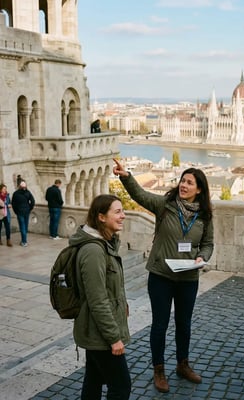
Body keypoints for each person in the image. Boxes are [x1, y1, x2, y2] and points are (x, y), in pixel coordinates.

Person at [113, 158, 214, 393]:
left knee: (184, 324)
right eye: (182, 180)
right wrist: (126, 176)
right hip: (161, 275)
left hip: (188, 277)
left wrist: (202, 257)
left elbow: (208, 244)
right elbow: (140, 195)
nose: (184, 185)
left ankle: (183, 364)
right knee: (160, 324)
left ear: (199, 189)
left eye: (189, 182)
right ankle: (159, 369)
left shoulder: (205, 215)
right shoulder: (165, 205)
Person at [71, 194, 131, 400]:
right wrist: (114, 338)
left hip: (97, 331)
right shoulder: (93, 251)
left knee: (94, 380)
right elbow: (97, 300)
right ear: (101, 217)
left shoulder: (106, 244)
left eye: (123, 211)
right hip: (101, 335)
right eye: (117, 212)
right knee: (121, 387)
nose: (123, 215)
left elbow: (109, 289)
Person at [11, 181, 35, 247]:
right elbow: (32, 201)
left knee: (22, 226)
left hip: (20, 212)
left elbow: (13, 204)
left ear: (19, 187)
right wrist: (29, 208)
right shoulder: (28, 192)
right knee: (25, 226)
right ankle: (24, 240)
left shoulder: (15, 193)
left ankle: (24, 241)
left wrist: (16, 211)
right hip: (26, 211)